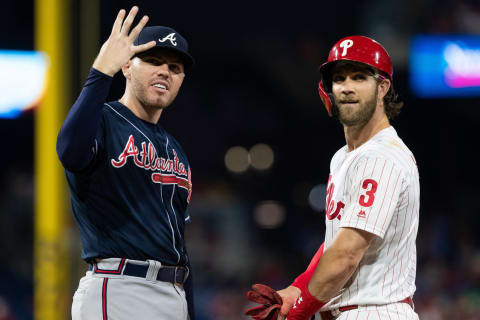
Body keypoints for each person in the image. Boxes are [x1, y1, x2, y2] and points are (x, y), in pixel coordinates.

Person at [246, 36, 420, 320]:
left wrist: (298, 312)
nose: (347, 87)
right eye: (339, 78)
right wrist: (296, 289)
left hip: (376, 311)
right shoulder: (344, 157)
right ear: (328, 90)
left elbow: (346, 254)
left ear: (383, 87)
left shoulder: (382, 156)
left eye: (360, 77)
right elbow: (335, 244)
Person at [56, 6, 195, 320]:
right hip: (119, 287)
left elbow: (178, 244)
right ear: (127, 67)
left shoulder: (175, 150)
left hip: (174, 292)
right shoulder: (102, 120)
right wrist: (100, 72)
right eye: (153, 61)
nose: (165, 71)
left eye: (175, 67)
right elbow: (70, 151)